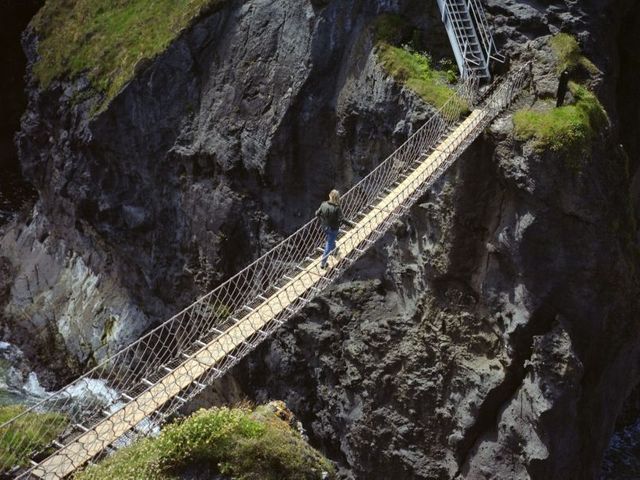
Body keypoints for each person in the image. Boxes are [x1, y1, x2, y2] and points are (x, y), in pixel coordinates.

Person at [315, 190, 353, 269]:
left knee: (331, 239)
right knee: (328, 245)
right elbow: (342, 219)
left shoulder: (323, 204)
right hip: (333, 229)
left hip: (324, 228)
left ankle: (334, 251)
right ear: (338, 198)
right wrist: (351, 225)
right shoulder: (337, 208)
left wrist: (324, 220)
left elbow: (317, 214)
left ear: (329, 196)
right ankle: (323, 264)